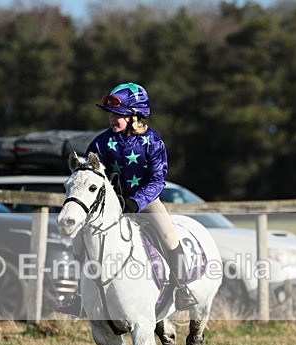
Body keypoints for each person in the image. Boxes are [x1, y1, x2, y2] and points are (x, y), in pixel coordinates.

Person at [58, 82, 197, 315]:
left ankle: (182, 289)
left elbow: (158, 179)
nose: (113, 119)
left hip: (145, 201)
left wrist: (136, 202)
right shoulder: (100, 142)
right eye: (111, 114)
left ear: (134, 116)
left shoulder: (152, 141)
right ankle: (79, 295)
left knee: (168, 234)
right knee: (78, 240)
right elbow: (91, 175)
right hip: (109, 206)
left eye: (119, 114)